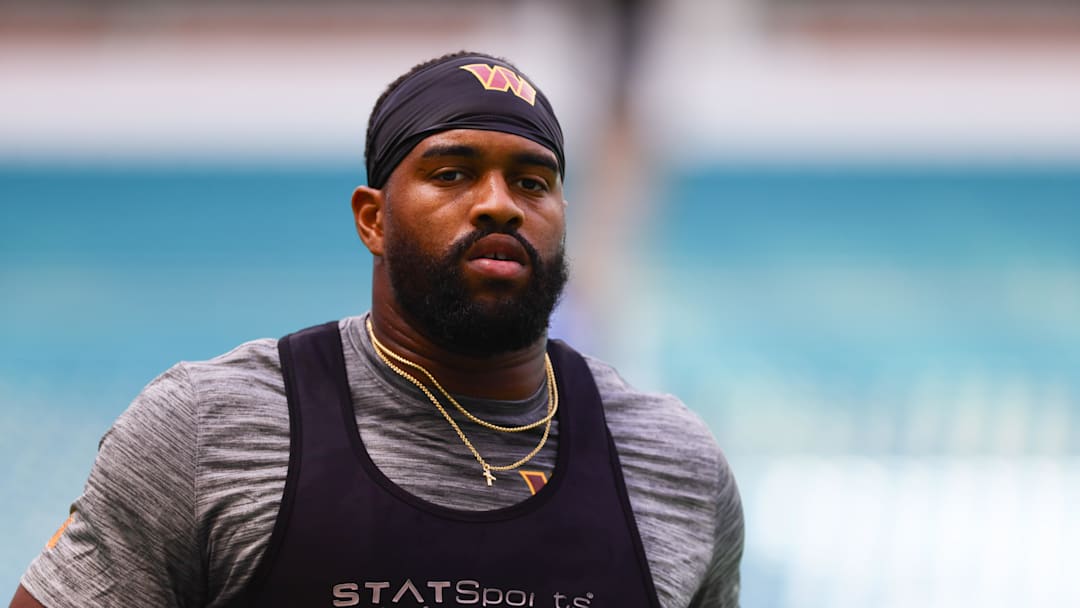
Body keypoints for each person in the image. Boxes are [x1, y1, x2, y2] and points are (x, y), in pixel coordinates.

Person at [10, 51, 743, 608]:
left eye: (532, 181)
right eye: (452, 173)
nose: (499, 204)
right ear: (373, 219)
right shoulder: (209, 428)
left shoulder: (673, 463)